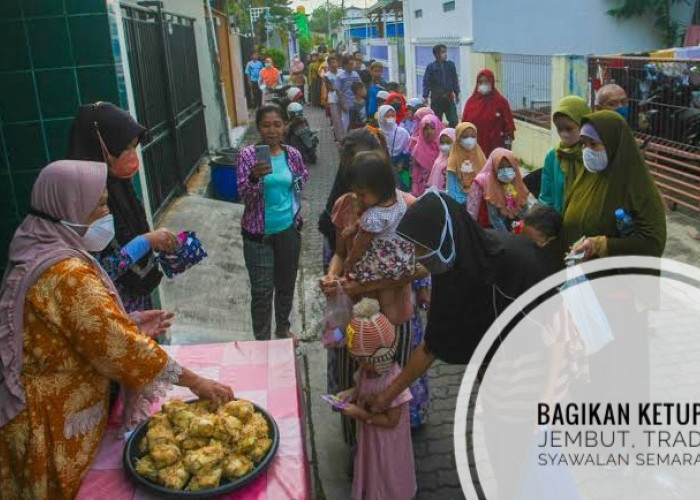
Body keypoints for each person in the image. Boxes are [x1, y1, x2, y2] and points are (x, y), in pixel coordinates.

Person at [0, 160, 233, 499]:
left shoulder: (38, 241)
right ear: (69, 207)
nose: (108, 213)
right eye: (100, 205)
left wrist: (131, 322)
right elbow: (119, 347)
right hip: (51, 424)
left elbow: (71, 326)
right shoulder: (66, 272)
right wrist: (195, 381)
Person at [67, 102, 179, 313]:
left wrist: (153, 242)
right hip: (110, 307)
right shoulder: (85, 198)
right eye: (125, 147)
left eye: (133, 146)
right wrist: (147, 241)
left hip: (134, 304)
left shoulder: (118, 184)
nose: (131, 154)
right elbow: (105, 269)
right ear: (102, 146)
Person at [237, 105, 309, 341]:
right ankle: (262, 340)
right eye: (266, 125)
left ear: (285, 126)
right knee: (261, 291)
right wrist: (255, 177)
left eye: (277, 125)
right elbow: (244, 195)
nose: (272, 130)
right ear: (259, 128)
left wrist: (296, 212)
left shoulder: (292, 155)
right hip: (258, 236)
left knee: (286, 285)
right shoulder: (248, 155)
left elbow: (300, 181)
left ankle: (282, 329)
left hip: (288, 230)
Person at [564, 110, 666, 260]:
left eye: (594, 144)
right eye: (584, 144)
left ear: (613, 145)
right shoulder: (587, 176)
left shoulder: (638, 187)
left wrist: (601, 245)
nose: (587, 151)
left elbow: (652, 244)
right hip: (582, 274)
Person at [341, 298, 416, 500]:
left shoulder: (393, 381)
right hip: (371, 439)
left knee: (387, 473)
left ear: (379, 358)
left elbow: (392, 421)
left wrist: (361, 414)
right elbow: (361, 387)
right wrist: (350, 393)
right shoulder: (367, 371)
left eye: (363, 360)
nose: (360, 364)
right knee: (373, 468)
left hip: (388, 443)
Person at [341, 152, 416, 308]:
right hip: (402, 258)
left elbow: (360, 245)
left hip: (382, 263)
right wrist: (353, 228)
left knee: (365, 282)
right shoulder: (398, 197)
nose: (358, 199)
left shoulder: (373, 217)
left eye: (362, 194)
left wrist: (350, 262)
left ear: (380, 188)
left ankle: (377, 314)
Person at [538, 96, 589, 214]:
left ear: (583, 125)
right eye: (559, 129)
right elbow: (546, 196)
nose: (564, 134)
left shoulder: (591, 154)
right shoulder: (553, 156)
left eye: (569, 129)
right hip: (560, 222)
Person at [468, 148, 530, 231]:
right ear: (494, 168)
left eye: (509, 166)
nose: (505, 170)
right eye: (501, 167)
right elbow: (494, 218)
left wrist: (524, 228)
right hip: (492, 228)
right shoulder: (489, 185)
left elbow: (524, 211)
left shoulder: (516, 182)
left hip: (514, 226)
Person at [461, 69, 516, 156]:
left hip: (495, 150)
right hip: (474, 150)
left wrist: (507, 153)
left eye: (486, 82)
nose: (483, 85)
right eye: (480, 82)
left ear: (492, 82)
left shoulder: (501, 102)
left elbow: (508, 129)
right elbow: (463, 126)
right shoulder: (471, 103)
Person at [445, 122, 487, 205]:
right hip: (460, 201)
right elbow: (451, 187)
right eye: (465, 137)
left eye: (473, 136)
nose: (469, 140)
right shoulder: (454, 158)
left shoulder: (479, 156)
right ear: (458, 138)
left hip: (479, 199)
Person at [422, 44, 460, 128]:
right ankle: (438, 138)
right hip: (436, 99)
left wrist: (457, 93)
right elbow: (426, 82)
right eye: (443, 52)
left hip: (449, 98)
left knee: (454, 120)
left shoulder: (450, 65)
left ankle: (450, 135)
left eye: (445, 52)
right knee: (435, 121)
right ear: (436, 54)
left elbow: (455, 80)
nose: (445, 54)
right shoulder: (431, 67)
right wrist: (425, 96)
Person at [410, 114, 445, 197]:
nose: (429, 131)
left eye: (432, 128)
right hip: (423, 190)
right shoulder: (418, 149)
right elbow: (415, 173)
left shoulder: (444, 147)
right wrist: (415, 190)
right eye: (425, 128)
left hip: (442, 188)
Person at [378, 104, 411, 190]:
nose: (390, 118)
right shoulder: (377, 133)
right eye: (387, 116)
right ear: (381, 117)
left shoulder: (402, 132)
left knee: (403, 190)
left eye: (392, 115)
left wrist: (402, 162)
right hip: (383, 166)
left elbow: (408, 148)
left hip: (402, 166)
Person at [336, 55, 362, 136]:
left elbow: (360, 87)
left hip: (356, 104)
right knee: (346, 125)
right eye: (349, 64)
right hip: (347, 104)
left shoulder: (356, 75)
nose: (351, 66)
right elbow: (338, 92)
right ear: (344, 65)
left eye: (352, 64)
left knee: (357, 124)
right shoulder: (340, 77)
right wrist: (343, 104)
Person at [324, 55, 344, 143]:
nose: (333, 64)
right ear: (328, 64)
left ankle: (345, 136)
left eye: (335, 62)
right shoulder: (326, 76)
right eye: (331, 63)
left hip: (343, 98)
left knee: (344, 119)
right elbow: (330, 88)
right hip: (333, 99)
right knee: (336, 119)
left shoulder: (342, 72)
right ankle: (339, 138)